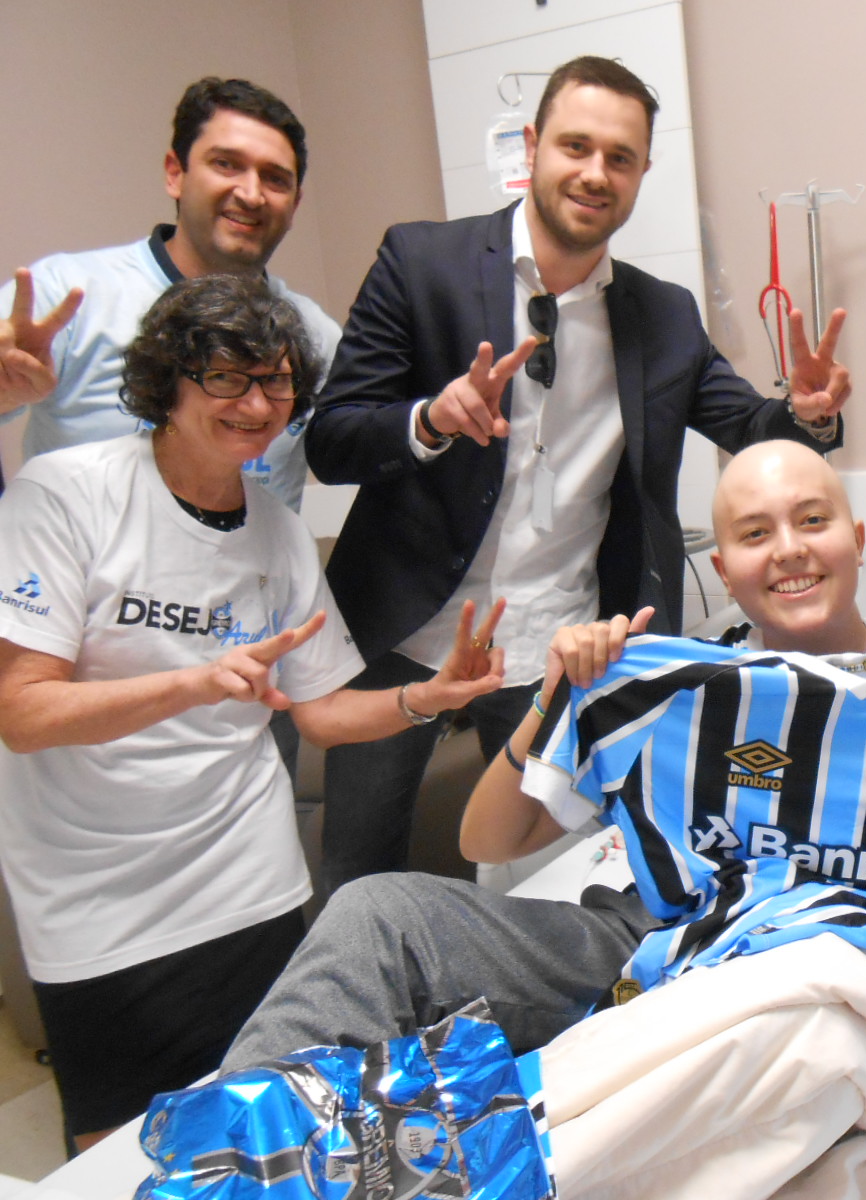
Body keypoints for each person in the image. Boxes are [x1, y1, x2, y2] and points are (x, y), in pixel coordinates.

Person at [222, 439, 866, 1069]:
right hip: (649, 939)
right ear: (726, 569)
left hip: (817, 950)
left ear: (856, 542)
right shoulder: (682, 689)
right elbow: (489, 840)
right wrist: (556, 696)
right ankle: (221, 1160)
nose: (788, 551)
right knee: (378, 913)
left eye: (812, 521)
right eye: (753, 534)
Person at [307, 55, 852, 895]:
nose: (596, 173)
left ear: (639, 174)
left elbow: (750, 427)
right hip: (404, 638)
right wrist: (429, 420)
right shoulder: (424, 265)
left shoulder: (662, 315)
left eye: (621, 157)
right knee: (360, 867)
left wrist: (806, 413)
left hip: (560, 647)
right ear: (533, 147)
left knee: (540, 874)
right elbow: (334, 439)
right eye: (576, 146)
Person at [0, 274, 504, 1150]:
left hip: (250, 884)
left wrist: (428, 696)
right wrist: (195, 682)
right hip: (97, 902)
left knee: (266, 1135)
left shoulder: (272, 528)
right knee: (122, 1153)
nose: (256, 402)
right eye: (226, 377)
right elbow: (25, 711)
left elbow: (322, 714)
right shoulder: (66, 494)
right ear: (169, 382)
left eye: (275, 382)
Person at [0, 76, 340, 511]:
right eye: (226, 164)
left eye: (275, 179)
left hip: (252, 576)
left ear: (294, 205)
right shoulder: (67, 297)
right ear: (175, 173)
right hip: (84, 573)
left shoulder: (316, 337)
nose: (251, 194)